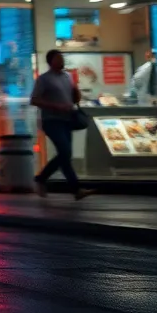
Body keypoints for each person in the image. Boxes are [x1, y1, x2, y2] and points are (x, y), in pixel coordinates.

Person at [31, 49, 95, 200]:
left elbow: (73, 97)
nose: (62, 61)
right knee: (65, 152)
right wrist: (55, 106)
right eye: (58, 58)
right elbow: (34, 100)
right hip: (52, 121)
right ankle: (41, 179)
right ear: (50, 61)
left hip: (67, 120)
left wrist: (76, 90)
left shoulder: (67, 76)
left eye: (62, 58)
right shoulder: (44, 79)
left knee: (65, 156)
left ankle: (75, 190)